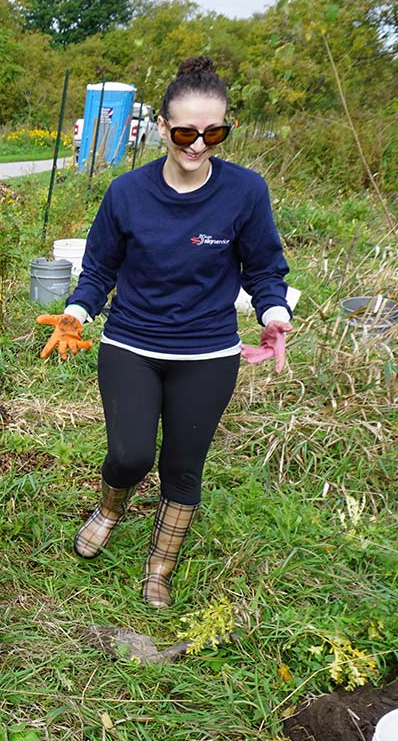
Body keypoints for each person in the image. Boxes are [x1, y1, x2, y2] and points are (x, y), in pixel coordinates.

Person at [36, 56, 293, 608]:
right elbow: (100, 269)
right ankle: (109, 509)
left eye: (214, 132)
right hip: (131, 342)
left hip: (208, 352)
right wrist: (78, 312)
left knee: (182, 463)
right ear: (161, 128)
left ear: (227, 128)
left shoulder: (245, 192)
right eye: (184, 132)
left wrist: (274, 315)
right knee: (130, 454)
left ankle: (160, 564)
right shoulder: (127, 193)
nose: (198, 145)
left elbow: (265, 269)